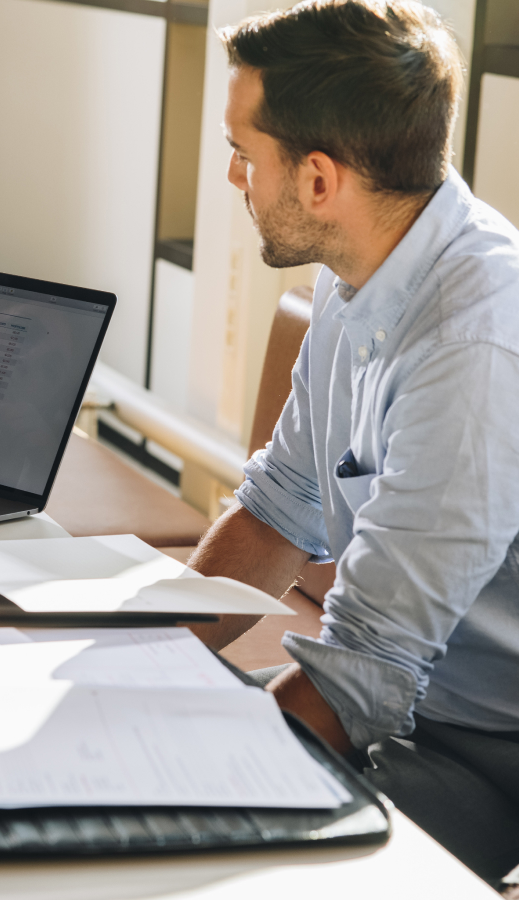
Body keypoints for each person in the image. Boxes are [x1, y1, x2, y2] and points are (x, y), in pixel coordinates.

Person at [186, 0, 519, 885]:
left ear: (320, 180)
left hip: (485, 742)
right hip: (392, 691)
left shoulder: (476, 337)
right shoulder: (355, 275)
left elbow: (366, 669)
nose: (233, 177)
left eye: (243, 154)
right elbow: (277, 511)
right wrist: (128, 669)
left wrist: (183, 781)